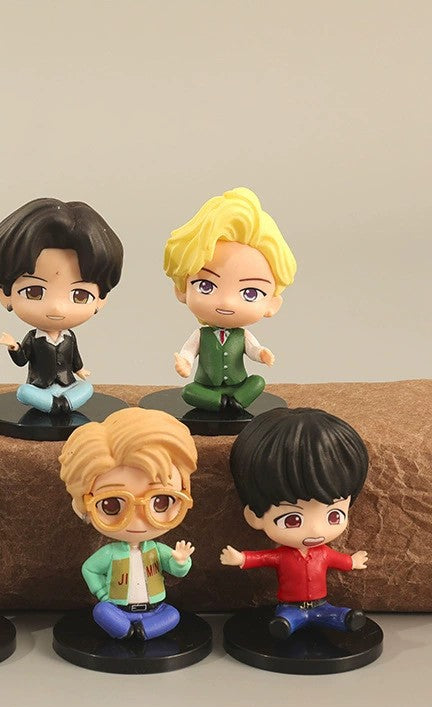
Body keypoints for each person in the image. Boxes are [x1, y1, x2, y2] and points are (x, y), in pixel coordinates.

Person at [221, 407, 370, 639]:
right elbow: (263, 558)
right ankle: (286, 624)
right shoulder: (283, 555)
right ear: (254, 516)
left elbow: (339, 560)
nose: (316, 530)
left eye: (334, 515)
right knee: (288, 618)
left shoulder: (323, 553)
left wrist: (353, 561)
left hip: (321, 604)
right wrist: (241, 558)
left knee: (334, 613)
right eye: (293, 519)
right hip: (290, 606)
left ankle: (345, 619)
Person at [59, 407, 198, 640]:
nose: (138, 519)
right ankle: (125, 631)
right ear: (82, 506)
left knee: (173, 615)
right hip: (118, 609)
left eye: (160, 502)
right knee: (102, 611)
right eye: (111, 505)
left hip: (155, 608)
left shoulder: (156, 550)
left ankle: (143, 632)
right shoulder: (110, 553)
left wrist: (181, 561)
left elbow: (177, 571)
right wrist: (103, 594)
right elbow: (89, 569)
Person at [163, 188, 296, 414]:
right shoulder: (201, 335)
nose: (226, 302)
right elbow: (188, 352)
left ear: (272, 305)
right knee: (189, 392)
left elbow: (253, 350)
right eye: (206, 286)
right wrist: (184, 362)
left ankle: (237, 401)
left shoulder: (242, 336)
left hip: (239, 385)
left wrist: (261, 354)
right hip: (206, 387)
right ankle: (220, 402)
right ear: (182, 290)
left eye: (250, 293)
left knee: (258, 382)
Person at [0, 198, 123, 414]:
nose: (57, 308)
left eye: (79, 295)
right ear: (6, 296)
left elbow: (75, 357)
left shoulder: (69, 337)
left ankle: (60, 404)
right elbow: (22, 360)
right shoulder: (33, 339)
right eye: (34, 292)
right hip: (39, 387)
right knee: (24, 393)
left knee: (87, 388)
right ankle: (55, 405)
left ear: (100, 300)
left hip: (67, 384)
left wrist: (80, 370)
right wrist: (14, 347)